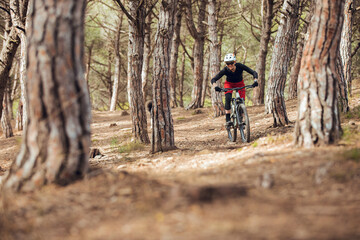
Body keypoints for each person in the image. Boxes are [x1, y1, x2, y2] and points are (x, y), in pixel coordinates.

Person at [211, 53, 258, 127]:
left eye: (231, 63)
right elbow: (213, 79)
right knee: (228, 98)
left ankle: (241, 119)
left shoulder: (240, 66)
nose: (230, 65)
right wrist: (215, 86)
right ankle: (228, 120)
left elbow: (253, 72)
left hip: (240, 84)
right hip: (229, 84)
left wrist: (255, 81)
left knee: (242, 100)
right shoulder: (225, 70)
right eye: (227, 63)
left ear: (234, 62)